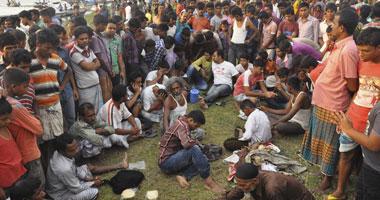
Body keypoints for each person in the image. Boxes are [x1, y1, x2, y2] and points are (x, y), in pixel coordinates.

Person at [301, 8, 360, 194]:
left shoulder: (349, 50)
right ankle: (325, 172)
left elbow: (352, 84)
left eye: (333, 23)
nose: (331, 25)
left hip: (334, 104)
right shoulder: (340, 45)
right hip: (324, 101)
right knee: (322, 140)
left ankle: (327, 181)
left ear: (341, 27)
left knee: (330, 144)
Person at [328, 27, 380, 200]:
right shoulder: (361, 62)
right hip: (354, 119)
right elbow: (358, 91)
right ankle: (340, 190)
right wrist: (347, 117)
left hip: (372, 125)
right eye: (359, 50)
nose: (361, 54)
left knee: (368, 161)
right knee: (346, 155)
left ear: (379, 48)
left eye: (365, 51)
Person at [29, 28, 72, 167]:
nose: (50, 51)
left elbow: (68, 71)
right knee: (43, 143)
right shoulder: (28, 60)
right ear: (37, 43)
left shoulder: (56, 59)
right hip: (39, 109)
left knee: (58, 138)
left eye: (52, 48)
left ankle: (61, 166)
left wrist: (61, 86)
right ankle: (48, 169)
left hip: (55, 105)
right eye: (47, 48)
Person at [158, 110, 224, 194]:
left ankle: (183, 176)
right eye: (196, 126)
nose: (196, 128)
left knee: (201, 158)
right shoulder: (182, 125)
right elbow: (186, 144)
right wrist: (196, 141)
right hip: (166, 163)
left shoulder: (182, 121)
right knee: (195, 149)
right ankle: (210, 183)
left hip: (175, 157)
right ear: (190, 120)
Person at [46, 134, 128, 200]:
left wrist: (87, 179)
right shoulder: (63, 168)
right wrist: (92, 183)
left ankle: (119, 165)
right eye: (72, 150)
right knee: (95, 192)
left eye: (76, 147)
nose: (76, 151)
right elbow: (76, 189)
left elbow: (75, 169)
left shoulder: (60, 153)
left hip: (70, 181)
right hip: (62, 194)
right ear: (62, 151)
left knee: (89, 168)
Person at [3, 68, 45, 188]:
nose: (27, 90)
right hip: (29, 153)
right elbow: (38, 129)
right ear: (13, 86)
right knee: (38, 187)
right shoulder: (15, 107)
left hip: (22, 153)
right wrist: (36, 120)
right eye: (25, 87)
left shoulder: (8, 102)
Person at [217, 163, 315, 200]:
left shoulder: (273, 189)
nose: (240, 187)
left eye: (242, 185)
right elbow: (234, 194)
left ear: (255, 181)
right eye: (238, 184)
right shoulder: (250, 180)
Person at [49, 24, 78, 131]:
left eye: (62, 37)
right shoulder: (46, 53)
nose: (60, 40)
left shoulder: (64, 50)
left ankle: (72, 141)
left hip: (67, 90)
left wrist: (74, 88)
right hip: (53, 93)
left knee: (71, 118)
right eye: (58, 38)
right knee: (57, 122)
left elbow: (69, 71)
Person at [70, 26, 103, 114]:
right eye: (82, 39)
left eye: (86, 38)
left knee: (98, 111)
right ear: (76, 39)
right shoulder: (74, 53)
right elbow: (87, 67)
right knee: (87, 113)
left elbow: (98, 63)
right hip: (85, 88)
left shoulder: (88, 49)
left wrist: (90, 65)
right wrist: (92, 64)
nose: (85, 40)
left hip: (95, 84)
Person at [0, 98, 28, 200]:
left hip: (19, 174)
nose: (8, 121)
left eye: (9, 118)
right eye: (4, 119)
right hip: (6, 183)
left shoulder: (6, 128)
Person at [0, 49, 37, 115]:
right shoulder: (2, 82)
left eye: (29, 67)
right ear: (13, 65)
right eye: (24, 67)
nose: (27, 70)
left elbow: (34, 100)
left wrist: (37, 115)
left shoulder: (29, 80)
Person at [91, 14, 114, 103]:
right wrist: (108, 70)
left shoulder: (100, 36)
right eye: (103, 25)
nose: (105, 27)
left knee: (109, 94)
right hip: (102, 71)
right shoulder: (94, 38)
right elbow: (100, 58)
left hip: (106, 70)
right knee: (105, 97)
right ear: (96, 24)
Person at [105, 19, 125, 86]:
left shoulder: (117, 40)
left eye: (114, 29)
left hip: (115, 70)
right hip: (105, 71)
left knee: (116, 88)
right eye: (110, 28)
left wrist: (122, 71)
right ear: (105, 27)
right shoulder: (101, 39)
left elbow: (119, 56)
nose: (112, 30)